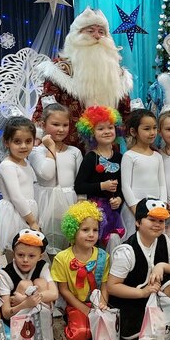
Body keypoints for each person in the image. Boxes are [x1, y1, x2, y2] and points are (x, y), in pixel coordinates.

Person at [31, 8, 133, 149]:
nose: (97, 36)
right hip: (68, 146)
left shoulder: (118, 74)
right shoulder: (60, 69)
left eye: (101, 32)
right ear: (76, 35)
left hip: (107, 147)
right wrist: (37, 136)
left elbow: (126, 112)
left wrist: (135, 139)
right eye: (90, 31)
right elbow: (46, 106)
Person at [107, 199, 170, 340]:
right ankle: (151, 320)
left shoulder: (164, 240)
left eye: (161, 221)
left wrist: (162, 266)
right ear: (138, 222)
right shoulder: (126, 251)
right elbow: (112, 287)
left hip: (153, 294)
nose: (157, 224)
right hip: (130, 298)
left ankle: (158, 319)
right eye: (151, 220)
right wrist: (142, 292)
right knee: (132, 330)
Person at [50, 201, 111, 340]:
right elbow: (63, 290)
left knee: (105, 332)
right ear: (73, 230)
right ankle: (70, 318)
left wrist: (102, 304)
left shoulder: (103, 256)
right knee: (80, 334)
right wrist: (84, 309)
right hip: (74, 304)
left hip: (97, 302)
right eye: (85, 230)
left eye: (95, 230)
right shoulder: (62, 258)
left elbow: (104, 285)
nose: (91, 235)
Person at [30, 103, 83, 256]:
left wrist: (80, 204)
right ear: (43, 125)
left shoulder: (74, 152)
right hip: (45, 201)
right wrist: (51, 147)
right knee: (45, 243)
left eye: (65, 125)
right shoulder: (36, 151)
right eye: (55, 124)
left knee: (68, 243)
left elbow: (79, 182)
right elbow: (47, 174)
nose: (61, 129)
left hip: (69, 201)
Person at [74, 106, 125, 250]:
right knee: (95, 243)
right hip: (95, 211)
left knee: (113, 243)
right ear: (91, 133)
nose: (107, 131)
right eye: (100, 129)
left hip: (114, 210)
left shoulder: (120, 157)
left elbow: (123, 185)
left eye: (110, 127)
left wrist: (119, 198)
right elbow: (79, 186)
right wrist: (102, 186)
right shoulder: (91, 158)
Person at [0, 117, 39, 262]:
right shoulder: (8, 166)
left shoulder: (25, 162)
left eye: (28, 141)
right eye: (17, 141)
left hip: (26, 211)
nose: (23, 146)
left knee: (26, 256)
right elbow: (16, 197)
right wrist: (32, 221)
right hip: (15, 214)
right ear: (7, 142)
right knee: (16, 255)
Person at [120, 110, 168, 237]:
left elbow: (162, 184)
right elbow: (126, 186)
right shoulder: (129, 156)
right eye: (147, 129)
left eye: (154, 128)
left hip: (156, 209)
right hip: (134, 210)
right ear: (133, 131)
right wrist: (137, 210)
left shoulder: (157, 156)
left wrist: (162, 205)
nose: (152, 132)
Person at [0, 229, 59, 321]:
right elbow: (6, 313)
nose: (25, 260)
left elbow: (54, 294)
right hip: (16, 319)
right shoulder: (6, 274)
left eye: (31, 256)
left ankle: (44, 322)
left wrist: (24, 299)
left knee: (41, 282)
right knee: (25, 284)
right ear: (13, 254)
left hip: (40, 316)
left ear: (40, 257)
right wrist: (26, 304)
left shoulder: (42, 267)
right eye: (20, 255)